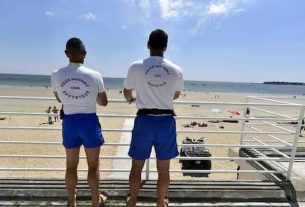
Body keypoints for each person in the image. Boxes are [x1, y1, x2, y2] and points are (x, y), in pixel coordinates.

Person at [123, 29, 183, 207]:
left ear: (148, 45)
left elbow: (127, 92)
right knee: (163, 169)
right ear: (165, 47)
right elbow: (176, 94)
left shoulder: (136, 66)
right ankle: (160, 202)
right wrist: (162, 97)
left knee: (136, 167)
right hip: (165, 121)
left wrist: (133, 99)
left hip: (144, 121)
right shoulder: (176, 70)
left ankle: (132, 200)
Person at [51, 37, 108, 207]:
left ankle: (71, 201)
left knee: (70, 166)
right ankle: (95, 201)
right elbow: (103, 102)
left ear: (66, 54)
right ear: (84, 54)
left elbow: (59, 97)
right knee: (93, 166)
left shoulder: (56, 74)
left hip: (70, 122)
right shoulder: (95, 75)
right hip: (89, 121)